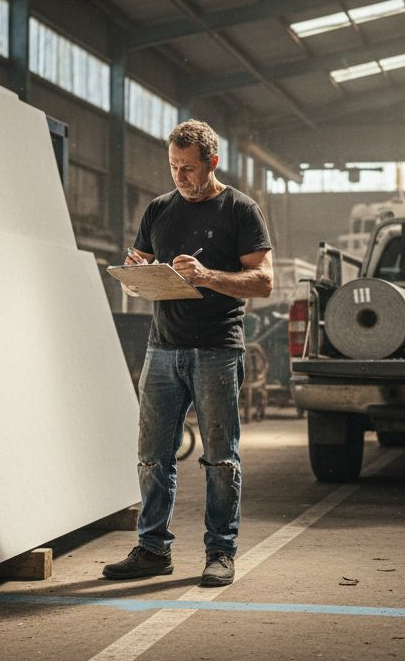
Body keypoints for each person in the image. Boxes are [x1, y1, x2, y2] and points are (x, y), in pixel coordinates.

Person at [102, 119, 273, 588]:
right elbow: (142, 272)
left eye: (189, 168)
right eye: (173, 166)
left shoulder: (241, 209)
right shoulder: (159, 209)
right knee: (152, 455)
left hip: (217, 348)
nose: (180, 176)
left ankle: (221, 552)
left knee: (220, 458)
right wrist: (137, 274)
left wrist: (206, 275)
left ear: (212, 162)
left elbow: (263, 281)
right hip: (162, 348)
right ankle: (153, 549)